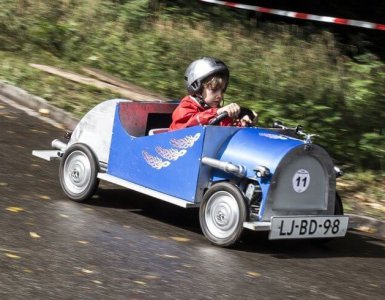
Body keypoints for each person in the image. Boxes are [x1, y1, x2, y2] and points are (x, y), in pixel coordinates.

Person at [169, 57, 256, 131]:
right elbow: (190, 125)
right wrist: (217, 112)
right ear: (197, 88)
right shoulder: (185, 107)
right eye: (214, 89)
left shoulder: (216, 112)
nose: (220, 96)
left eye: (222, 91)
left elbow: (227, 130)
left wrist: (243, 124)